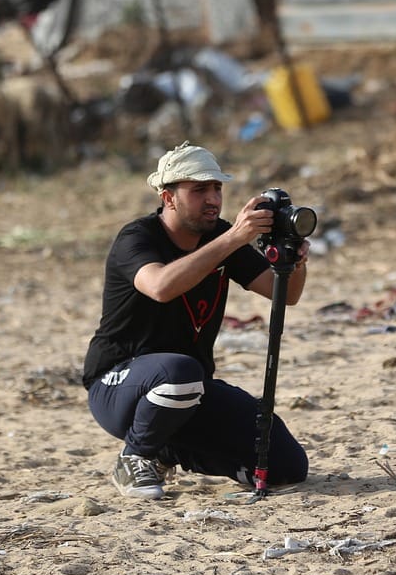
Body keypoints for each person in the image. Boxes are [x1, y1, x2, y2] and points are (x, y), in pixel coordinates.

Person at [83, 141, 310, 500]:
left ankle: (166, 452)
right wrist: (236, 237)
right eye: (199, 189)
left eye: (217, 188)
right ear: (168, 197)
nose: (213, 199)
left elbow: (284, 293)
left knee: (286, 465)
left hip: (189, 390)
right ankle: (135, 455)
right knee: (180, 372)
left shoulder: (220, 236)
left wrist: (293, 260)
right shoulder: (137, 238)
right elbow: (160, 286)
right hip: (117, 383)